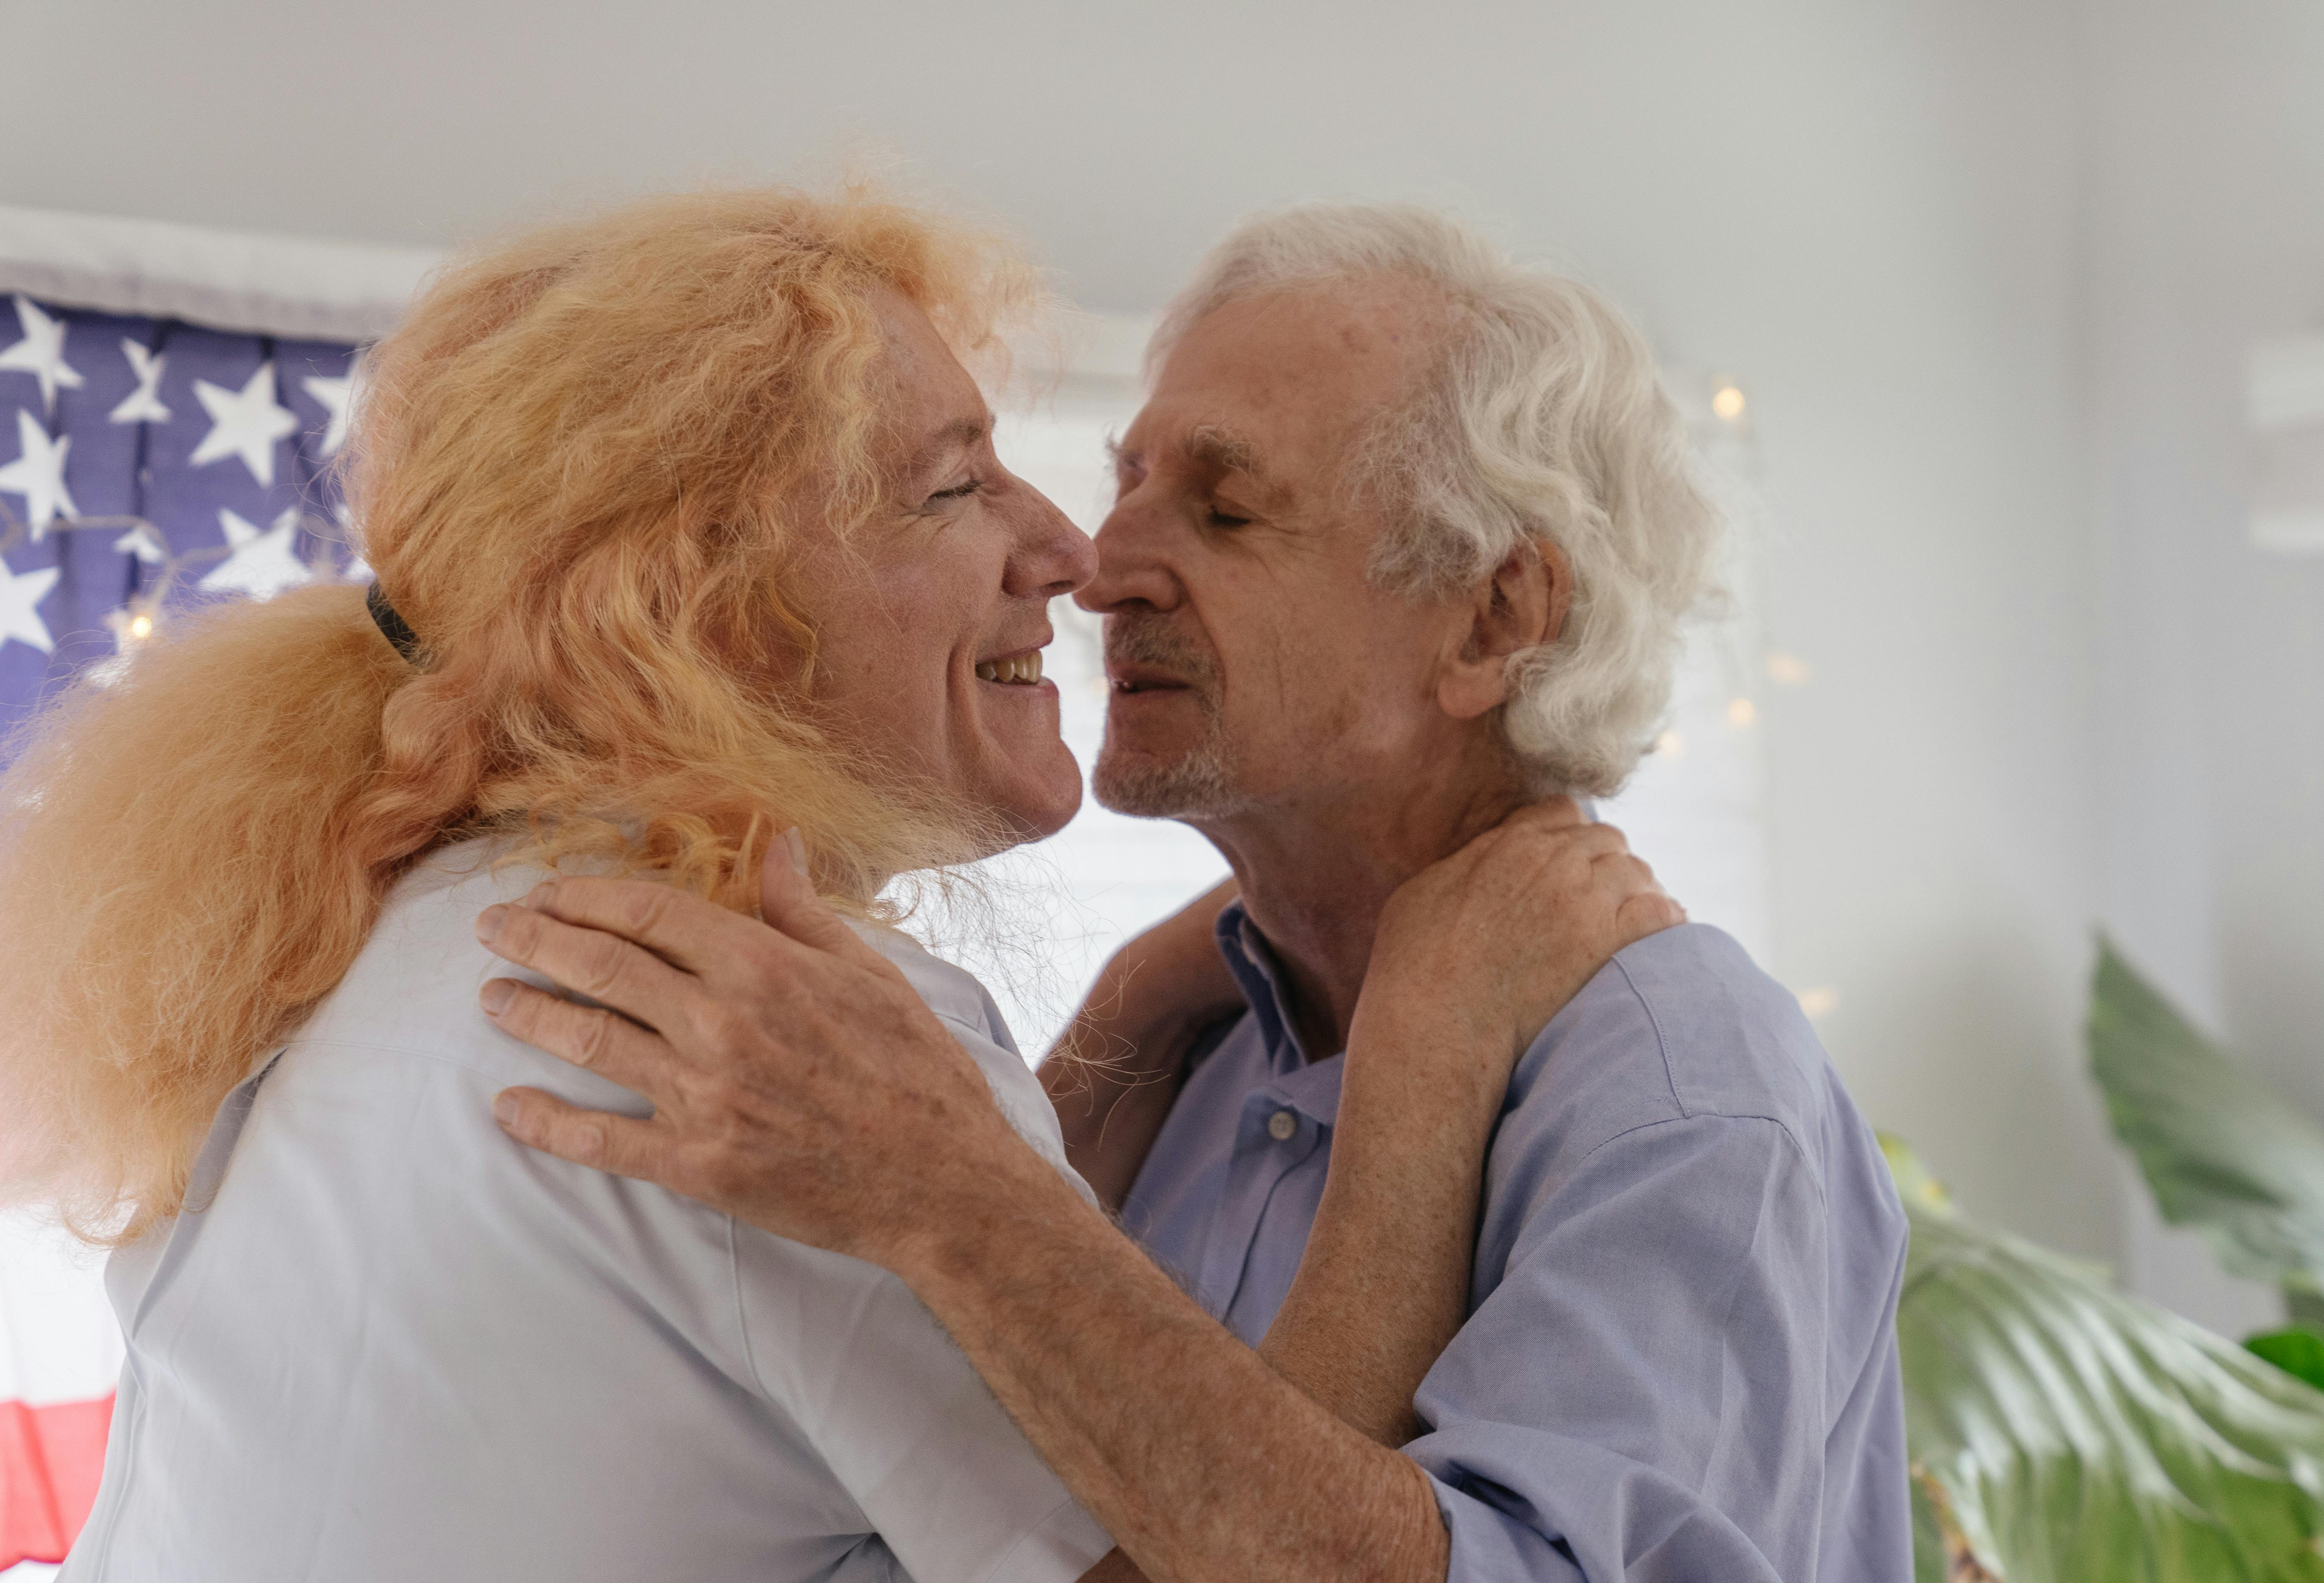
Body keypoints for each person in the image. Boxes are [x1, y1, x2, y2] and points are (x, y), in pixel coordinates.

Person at [0, 188, 1677, 1582]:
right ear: (705, 621)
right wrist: (1429, 1055)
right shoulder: (734, 1033)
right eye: (952, 485)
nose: (1072, 553)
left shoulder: (362, 928)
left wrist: (1098, 1038)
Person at [481, 204, 1917, 1580]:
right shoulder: (1195, 1042)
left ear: (1492, 617)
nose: (1097, 572)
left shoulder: (1681, 1092)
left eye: (1224, 511)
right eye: (1128, 481)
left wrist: (957, 1194)